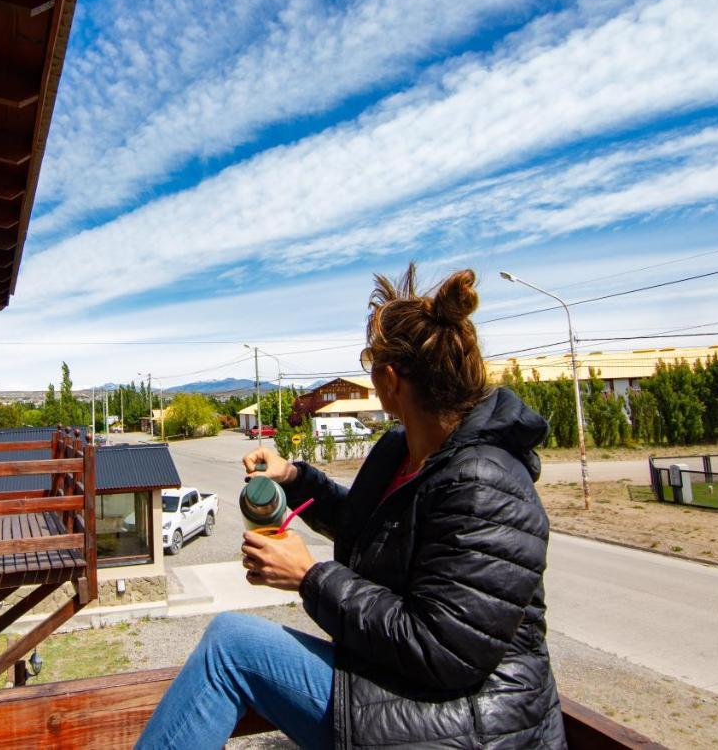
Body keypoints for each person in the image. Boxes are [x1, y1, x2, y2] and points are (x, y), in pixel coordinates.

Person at [135, 265, 566, 749]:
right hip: (410, 696)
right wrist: (294, 477)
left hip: (469, 723)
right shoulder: (403, 451)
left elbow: (443, 649)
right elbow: (365, 526)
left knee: (231, 647)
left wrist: (309, 576)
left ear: (389, 379)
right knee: (233, 645)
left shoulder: (487, 482)